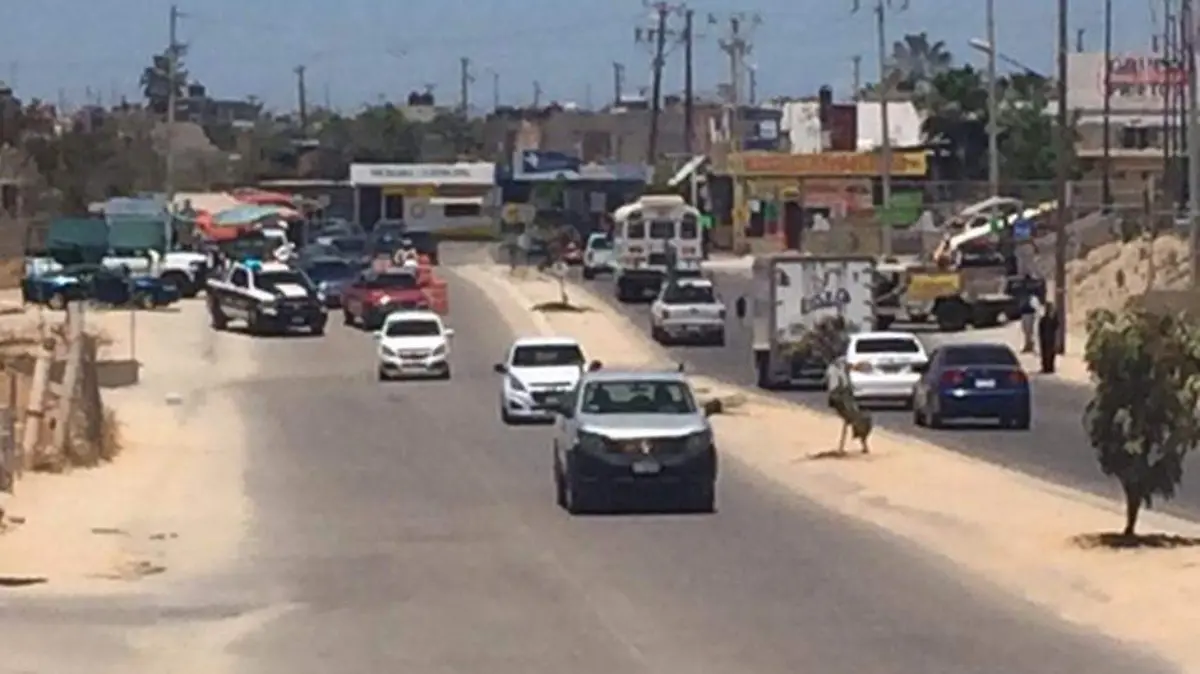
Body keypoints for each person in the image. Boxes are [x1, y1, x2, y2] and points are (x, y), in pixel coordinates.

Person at [1017, 274, 1040, 353]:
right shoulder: (1023, 289)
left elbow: (1034, 300)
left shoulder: (1032, 290)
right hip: (1024, 311)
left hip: (1029, 311)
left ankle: (1029, 345)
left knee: (1029, 330)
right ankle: (1028, 344)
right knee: (1025, 329)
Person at [1037, 302, 1060, 374]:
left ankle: (1049, 367)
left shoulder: (1050, 319)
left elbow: (1056, 328)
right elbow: (1040, 330)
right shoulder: (1044, 319)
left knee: (1050, 354)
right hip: (1046, 339)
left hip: (1049, 339)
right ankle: (1047, 368)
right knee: (1046, 354)